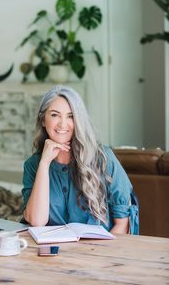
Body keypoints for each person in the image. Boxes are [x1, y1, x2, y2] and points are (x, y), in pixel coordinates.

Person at [22, 85, 135, 234]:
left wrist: (99, 256)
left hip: (98, 253)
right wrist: (44, 163)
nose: (63, 124)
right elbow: (37, 221)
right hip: (52, 253)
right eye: (55, 115)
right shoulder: (33, 165)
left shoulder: (104, 158)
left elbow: (122, 225)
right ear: (43, 120)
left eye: (71, 116)